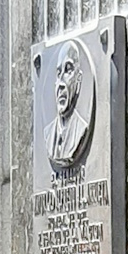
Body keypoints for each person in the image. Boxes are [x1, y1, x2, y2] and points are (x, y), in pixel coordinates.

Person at [45, 39, 93, 170]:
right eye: (58, 73)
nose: (61, 83)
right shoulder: (48, 133)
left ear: (78, 80)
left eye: (68, 71)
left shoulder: (81, 129)